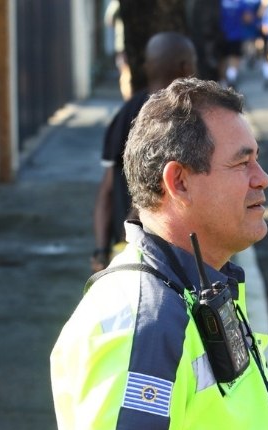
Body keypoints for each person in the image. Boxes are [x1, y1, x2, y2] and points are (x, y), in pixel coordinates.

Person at [52, 78, 268, 430]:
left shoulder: (194, 282)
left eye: (257, 160)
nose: (262, 178)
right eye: (242, 163)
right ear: (180, 182)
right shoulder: (142, 322)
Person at [92, 32, 197, 272]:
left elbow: (106, 190)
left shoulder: (124, 114)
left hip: (124, 250)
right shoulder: (188, 117)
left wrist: (100, 252)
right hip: (174, 253)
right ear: (186, 67)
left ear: (149, 66)